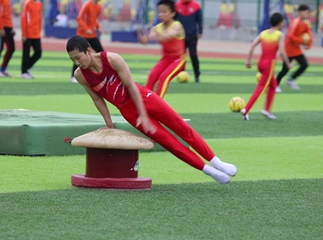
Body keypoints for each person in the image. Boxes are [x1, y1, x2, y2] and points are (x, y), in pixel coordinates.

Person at [66, 35, 237, 184]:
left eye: (78, 57)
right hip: (129, 112)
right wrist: (109, 125)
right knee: (169, 142)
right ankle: (209, 171)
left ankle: (217, 162)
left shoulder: (112, 59)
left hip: (144, 98)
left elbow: (131, 87)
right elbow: (97, 99)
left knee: (181, 127)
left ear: (88, 50)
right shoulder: (80, 75)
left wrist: (143, 113)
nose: (77, 63)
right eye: (73, 60)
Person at [242, 13, 292, 121]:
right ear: (280, 23)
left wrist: (249, 60)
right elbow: (282, 53)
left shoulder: (263, 33)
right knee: (260, 89)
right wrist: (288, 64)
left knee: (273, 85)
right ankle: (246, 109)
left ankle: (267, 110)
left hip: (260, 63)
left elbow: (252, 46)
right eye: (283, 21)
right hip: (269, 65)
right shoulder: (279, 35)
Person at [138, 0, 186, 98]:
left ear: (173, 13)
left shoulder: (177, 26)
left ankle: (158, 104)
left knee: (164, 77)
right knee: (152, 76)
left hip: (178, 59)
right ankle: (144, 102)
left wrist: (156, 33)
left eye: (164, 12)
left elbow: (167, 36)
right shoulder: (157, 28)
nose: (161, 14)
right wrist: (144, 40)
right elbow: (148, 39)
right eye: (159, 12)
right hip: (165, 59)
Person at [276, 4, 312, 92]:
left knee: (304, 65)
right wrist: (302, 41)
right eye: (306, 13)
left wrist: (308, 45)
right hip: (288, 49)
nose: (307, 15)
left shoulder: (305, 24)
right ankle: (275, 85)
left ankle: (291, 80)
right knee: (285, 70)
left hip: (296, 50)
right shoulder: (295, 22)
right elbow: (291, 36)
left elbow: (309, 36)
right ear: (300, 12)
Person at [71, 0, 104, 83]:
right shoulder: (87, 5)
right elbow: (79, 19)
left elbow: (95, 19)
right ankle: (73, 76)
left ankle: (101, 73)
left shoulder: (99, 7)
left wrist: (98, 27)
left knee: (102, 53)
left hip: (92, 34)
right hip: (83, 35)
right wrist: (86, 29)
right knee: (79, 55)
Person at [175, 0, 203, 82]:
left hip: (192, 35)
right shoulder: (177, 5)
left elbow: (199, 20)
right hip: (180, 36)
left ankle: (197, 75)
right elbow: (173, 20)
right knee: (181, 57)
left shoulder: (196, 6)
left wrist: (200, 31)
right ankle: (181, 74)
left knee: (193, 55)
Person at [20, 0, 43, 79]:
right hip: (28, 33)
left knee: (38, 52)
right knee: (26, 53)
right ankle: (23, 72)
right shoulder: (27, 3)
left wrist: (39, 31)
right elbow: (23, 18)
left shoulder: (39, 4)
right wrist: (24, 34)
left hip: (36, 33)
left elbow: (39, 18)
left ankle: (26, 67)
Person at [0, 0, 16, 77]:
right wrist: (1, 27)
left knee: (11, 48)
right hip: (0, 25)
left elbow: (8, 13)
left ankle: (3, 68)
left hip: (8, 26)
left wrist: (12, 26)